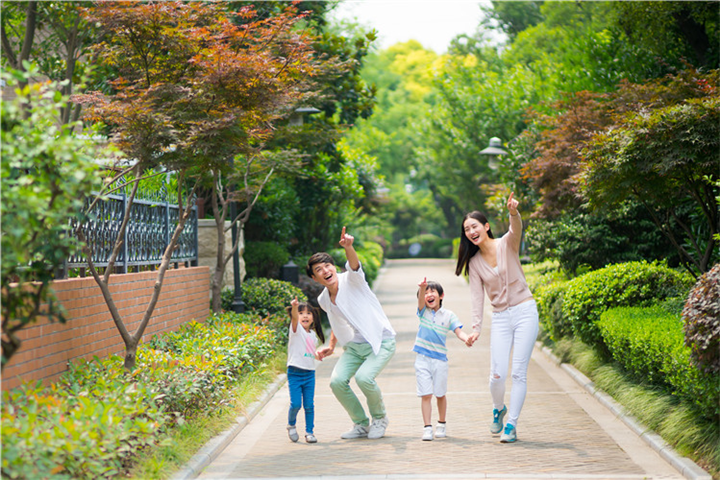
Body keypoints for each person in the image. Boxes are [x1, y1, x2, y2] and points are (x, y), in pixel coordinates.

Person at [455, 192, 539, 443]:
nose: (471, 231)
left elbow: (516, 230)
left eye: (474, 226)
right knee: (497, 375)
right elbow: (477, 298)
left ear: (486, 227)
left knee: (518, 373)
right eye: (467, 229)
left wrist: (513, 212)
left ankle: (511, 425)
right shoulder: (474, 263)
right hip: (501, 318)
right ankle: (498, 408)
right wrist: (476, 329)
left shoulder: (506, 244)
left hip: (525, 311)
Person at [308, 226, 396, 440]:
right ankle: (360, 424)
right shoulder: (323, 299)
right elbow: (337, 322)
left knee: (364, 378)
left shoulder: (352, 280)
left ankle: (380, 418)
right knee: (337, 382)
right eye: (319, 269)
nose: (325, 271)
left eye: (328, 265)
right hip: (355, 347)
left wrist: (349, 246)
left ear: (334, 267)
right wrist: (331, 345)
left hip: (380, 340)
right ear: (314, 277)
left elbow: (354, 265)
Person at [413, 277, 469, 441]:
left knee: (440, 394)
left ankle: (441, 424)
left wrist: (467, 339)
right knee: (425, 394)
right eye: (426, 293)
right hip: (422, 359)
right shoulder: (423, 312)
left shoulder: (449, 315)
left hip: (440, 361)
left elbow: (459, 331)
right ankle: (427, 428)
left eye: (433, 292)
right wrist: (422, 288)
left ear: (441, 295)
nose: (429, 295)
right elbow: (420, 300)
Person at [286, 297, 325, 444]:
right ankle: (291, 424)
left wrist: (318, 355)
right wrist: (295, 307)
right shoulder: (295, 330)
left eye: (309, 313)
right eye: (302, 313)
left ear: (313, 317)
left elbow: (310, 352)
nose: (305, 316)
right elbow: (295, 318)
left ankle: (309, 432)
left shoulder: (312, 335)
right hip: (295, 373)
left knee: (309, 405)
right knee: (296, 404)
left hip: (309, 374)